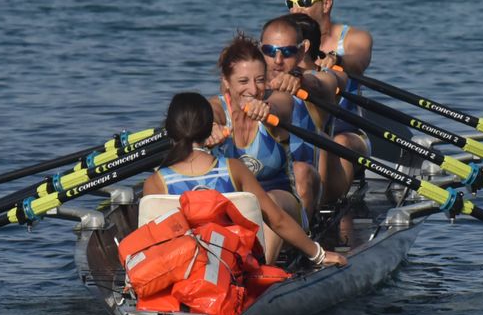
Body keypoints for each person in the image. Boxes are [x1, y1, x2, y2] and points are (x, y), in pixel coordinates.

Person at [142, 92, 345, 268]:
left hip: (181, 268)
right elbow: (277, 219)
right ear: (207, 129)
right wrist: (319, 254)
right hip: (233, 267)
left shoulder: (156, 182)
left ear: (169, 130)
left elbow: (151, 242)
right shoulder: (233, 168)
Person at [208, 34, 307, 264]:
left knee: (267, 201)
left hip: (283, 211)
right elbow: (205, 112)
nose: (253, 89)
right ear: (226, 82)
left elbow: (281, 107)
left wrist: (267, 109)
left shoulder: (279, 101)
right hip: (232, 213)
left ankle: (261, 270)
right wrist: (208, 127)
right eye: (243, 82)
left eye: (260, 80)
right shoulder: (216, 108)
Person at [285, 0, 373, 203]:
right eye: (290, 4)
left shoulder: (355, 38)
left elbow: (358, 62)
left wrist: (338, 61)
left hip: (346, 131)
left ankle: (326, 205)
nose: (295, 11)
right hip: (301, 129)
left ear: (326, 4)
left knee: (336, 143)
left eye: (303, 3)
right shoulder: (283, 42)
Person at [257, 15, 324, 221]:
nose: (278, 61)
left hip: (303, 183)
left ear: (302, 50)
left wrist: (300, 80)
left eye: (287, 52)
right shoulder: (246, 87)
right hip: (257, 183)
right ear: (260, 50)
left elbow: (321, 83)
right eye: (270, 51)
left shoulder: (313, 81)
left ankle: (303, 236)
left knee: (300, 170)